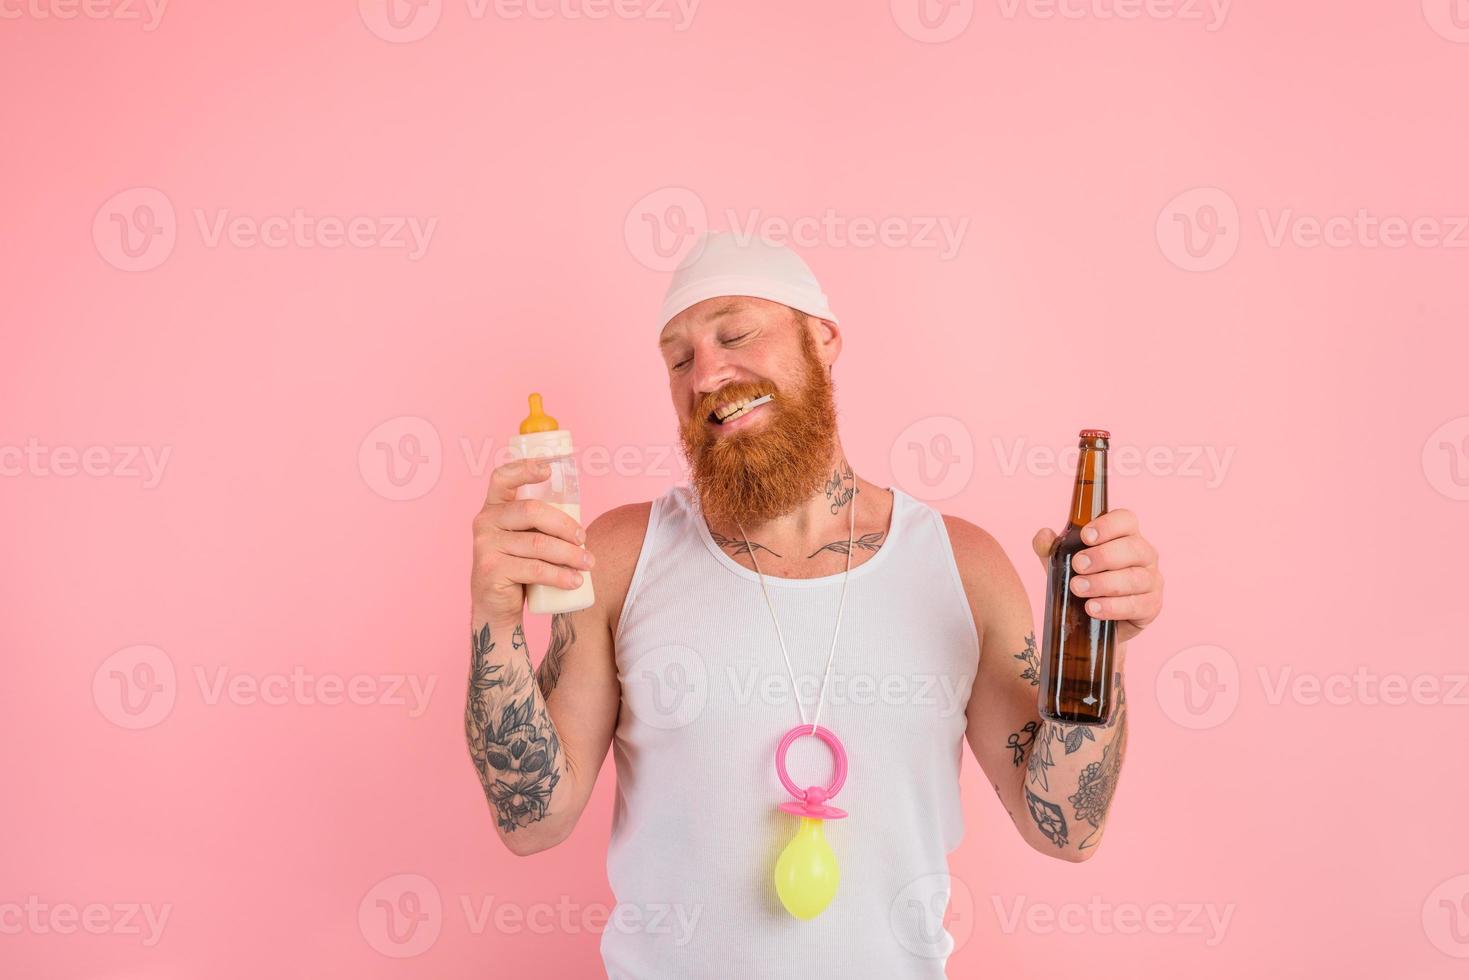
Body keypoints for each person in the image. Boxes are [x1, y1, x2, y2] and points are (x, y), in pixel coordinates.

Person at [465, 231, 1164, 978]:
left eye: (734, 333)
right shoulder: (616, 555)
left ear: (822, 338)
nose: (705, 375)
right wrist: (494, 621)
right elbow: (531, 822)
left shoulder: (961, 567)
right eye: (677, 357)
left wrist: (1099, 648)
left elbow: (1067, 828)